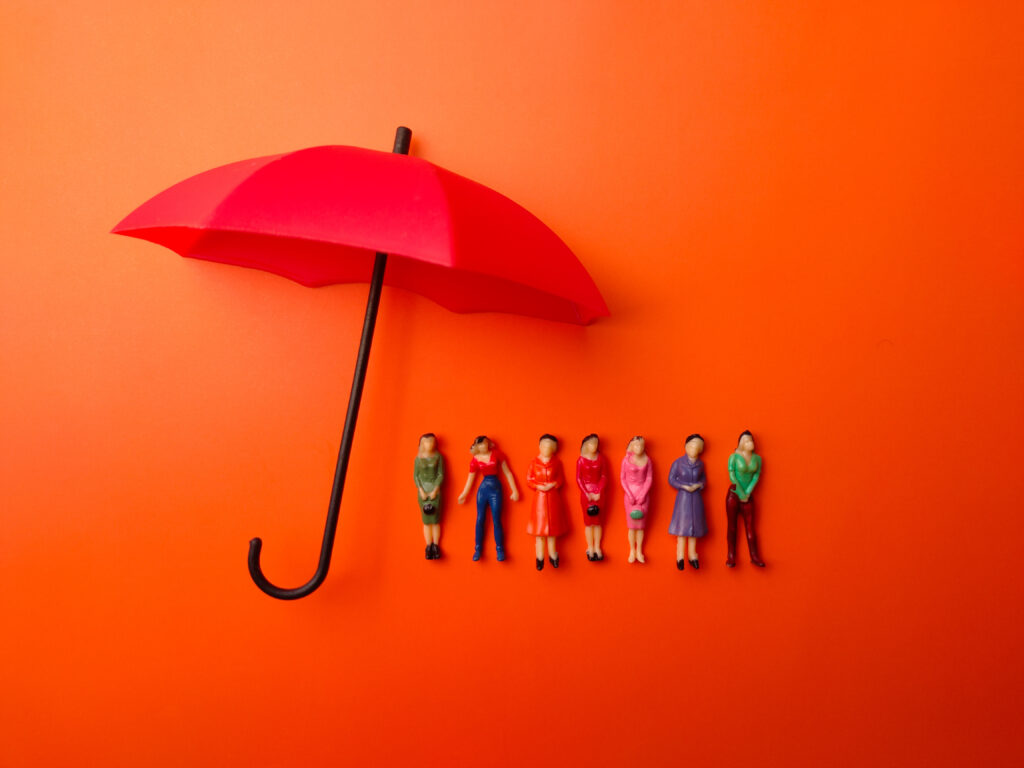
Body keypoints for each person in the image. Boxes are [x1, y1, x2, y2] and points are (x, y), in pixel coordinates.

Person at [457, 436, 519, 561]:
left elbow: (507, 472)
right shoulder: (475, 460)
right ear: (476, 446)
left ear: (489, 444)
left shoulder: (497, 454)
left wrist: (515, 490)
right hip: (483, 489)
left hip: (495, 489)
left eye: (485, 444)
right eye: (480, 445)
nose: (483, 446)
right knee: (480, 518)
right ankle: (478, 549)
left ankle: (500, 549)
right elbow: (471, 478)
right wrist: (464, 493)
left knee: (496, 519)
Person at [526, 434, 570, 570]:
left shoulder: (557, 463)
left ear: (554, 449)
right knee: (539, 530)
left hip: (552, 498)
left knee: (552, 530)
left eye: (550, 446)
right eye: (544, 445)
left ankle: (553, 554)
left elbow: (561, 479)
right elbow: (529, 479)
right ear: (539, 446)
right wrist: (537, 486)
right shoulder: (534, 462)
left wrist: (553, 484)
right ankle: (539, 557)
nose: (547, 448)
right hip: (539, 499)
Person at [726, 430, 765, 567]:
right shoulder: (734, 457)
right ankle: (731, 556)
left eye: (751, 440)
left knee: (751, 528)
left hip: (748, 496)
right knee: (732, 527)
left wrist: (748, 491)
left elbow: (756, 476)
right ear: (742, 443)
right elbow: (732, 476)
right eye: (747, 441)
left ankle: (754, 556)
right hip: (734, 495)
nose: (750, 443)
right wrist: (741, 493)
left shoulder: (758, 459)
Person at [668, 434, 706, 570]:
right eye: (693, 445)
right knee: (682, 527)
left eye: (698, 446)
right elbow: (671, 479)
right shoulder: (678, 463)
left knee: (694, 528)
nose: (695, 448)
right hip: (683, 499)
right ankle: (680, 556)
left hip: (696, 498)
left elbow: (704, 480)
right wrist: (683, 486)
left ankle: (692, 555)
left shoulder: (701, 464)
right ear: (686, 446)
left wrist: (699, 485)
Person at [620, 435, 653, 563]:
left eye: (641, 445)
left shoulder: (648, 460)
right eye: (637, 445)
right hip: (630, 495)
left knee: (640, 526)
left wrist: (643, 494)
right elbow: (622, 478)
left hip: (643, 494)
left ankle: (639, 550)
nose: (639, 447)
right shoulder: (626, 460)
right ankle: (631, 551)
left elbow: (649, 478)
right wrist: (629, 494)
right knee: (631, 525)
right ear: (632, 447)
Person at [576, 433, 608, 562]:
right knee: (588, 523)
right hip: (586, 494)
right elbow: (578, 478)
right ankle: (590, 547)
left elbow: (604, 476)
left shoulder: (601, 459)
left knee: (598, 522)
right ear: (585, 445)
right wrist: (586, 492)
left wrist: (599, 491)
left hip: (598, 494)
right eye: (591, 443)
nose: (593, 446)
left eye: (595, 443)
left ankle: (597, 547)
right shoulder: (581, 460)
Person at [413, 433, 445, 560]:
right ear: (421, 444)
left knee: (435, 520)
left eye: (431, 441)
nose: (429, 444)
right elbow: (416, 476)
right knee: (426, 520)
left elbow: (441, 474)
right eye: (426, 442)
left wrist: (436, 489)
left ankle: (436, 545)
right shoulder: (418, 459)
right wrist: (421, 490)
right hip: (423, 491)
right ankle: (428, 545)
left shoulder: (438, 457)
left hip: (434, 490)